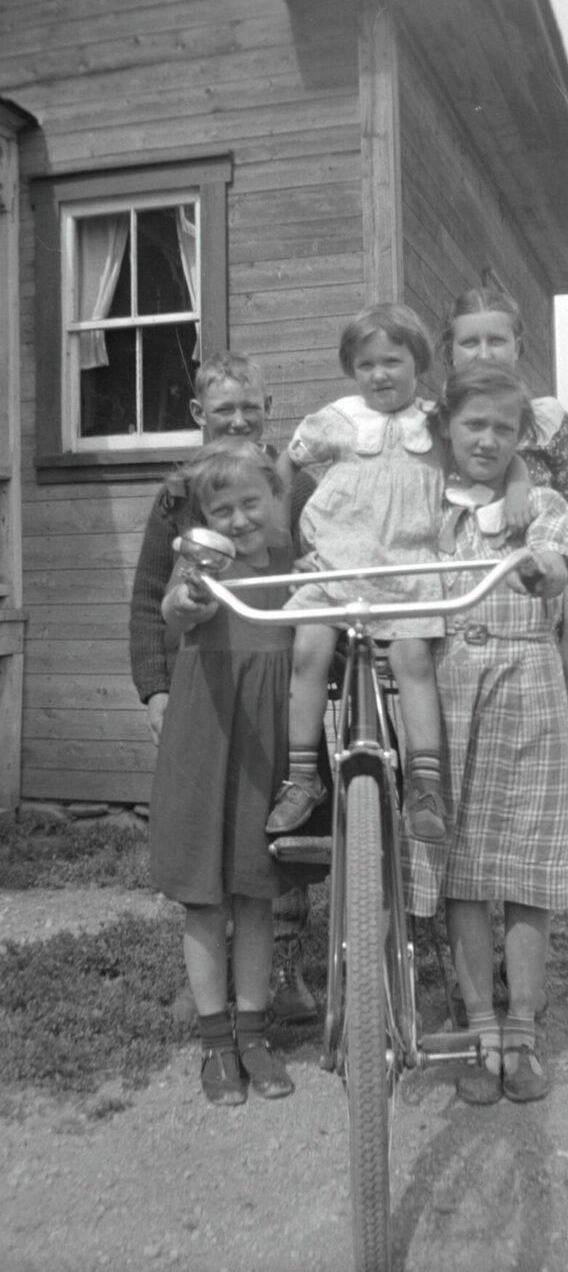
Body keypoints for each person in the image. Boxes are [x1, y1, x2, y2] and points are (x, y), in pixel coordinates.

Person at [402, 361, 568, 1106]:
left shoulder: (539, 502)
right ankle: (480, 1029)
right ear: (446, 425)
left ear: (522, 437)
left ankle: (524, 1028)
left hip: (526, 692)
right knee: (466, 875)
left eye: (502, 428)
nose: (487, 439)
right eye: (473, 425)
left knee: (529, 872)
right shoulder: (426, 507)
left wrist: (544, 567)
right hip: (447, 696)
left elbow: (559, 552)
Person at [129, 351, 320, 1023]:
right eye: (223, 410)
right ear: (198, 415)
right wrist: (155, 687)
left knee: (270, 835)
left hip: (279, 690)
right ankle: (209, 993)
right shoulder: (181, 494)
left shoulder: (297, 487)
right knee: (210, 835)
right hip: (210, 689)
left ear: (269, 410)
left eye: (250, 408)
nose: (237, 419)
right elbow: (153, 593)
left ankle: (283, 978)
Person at [149, 439, 306, 1105]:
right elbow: (174, 610)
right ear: (203, 518)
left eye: (252, 503)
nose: (240, 519)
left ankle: (254, 1034)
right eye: (223, 508)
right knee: (205, 896)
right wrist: (187, 601)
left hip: (267, 738)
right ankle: (216, 1044)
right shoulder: (201, 567)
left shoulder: (299, 567)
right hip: (206, 729)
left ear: (277, 502)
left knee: (255, 891)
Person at [264, 303, 449, 845]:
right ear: (352, 369)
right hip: (335, 563)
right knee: (307, 652)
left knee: (413, 659)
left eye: (392, 361)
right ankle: (302, 776)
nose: (379, 375)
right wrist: (281, 529)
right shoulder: (339, 418)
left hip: (408, 567)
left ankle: (425, 783)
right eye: (366, 364)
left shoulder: (435, 421)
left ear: (418, 363)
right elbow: (288, 462)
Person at [441, 283, 568, 835]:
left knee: (537, 806)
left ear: (518, 346)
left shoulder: (547, 420)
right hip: (462, 631)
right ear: (450, 350)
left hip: (536, 622)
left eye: (497, 339)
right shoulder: (445, 418)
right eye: (470, 342)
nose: (485, 352)